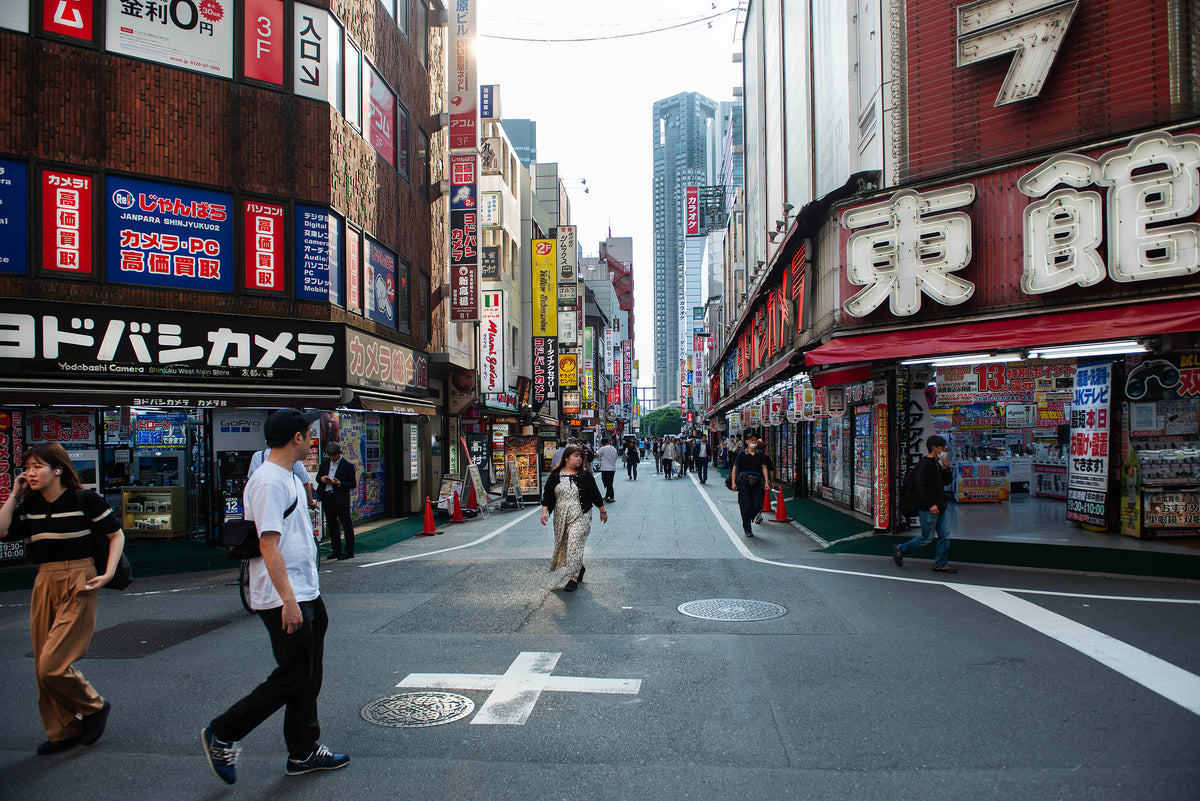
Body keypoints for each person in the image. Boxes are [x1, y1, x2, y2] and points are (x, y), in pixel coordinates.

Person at [203, 409, 348, 785]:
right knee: (292, 675)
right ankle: (223, 731)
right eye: (308, 432)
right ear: (296, 438)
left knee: (307, 673)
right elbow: (268, 545)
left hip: (305, 590)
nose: (312, 439)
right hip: (286, 596)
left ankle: (303, 750)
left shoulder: (285, 475)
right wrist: (288, 601)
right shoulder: (269, 481)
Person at [0, 443, 124, 756]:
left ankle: (94, 707)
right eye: (27, 467)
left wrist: (107, 574)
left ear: (58, 469)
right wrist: (14, 495)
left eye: (37, 466)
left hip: (80, 579)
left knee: (52, 664)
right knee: (43, 662)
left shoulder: (84, 498)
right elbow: (2, 532)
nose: (30, 473)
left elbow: (115, 534)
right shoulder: (29, 505)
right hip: (44, 580)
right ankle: (63, 730)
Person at [540, 445, 608, 591]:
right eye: (575, 456)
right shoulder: (555, 475)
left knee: (574, 542)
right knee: (565, 544)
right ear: (566, 458)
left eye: (580, 456)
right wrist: (544, 512)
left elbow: (595, 493)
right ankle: (579, 567)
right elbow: (548, 495)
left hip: (581, 514)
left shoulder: (585, 475)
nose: (579, 459)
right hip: (561, 515)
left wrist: (602, 511)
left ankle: (573, 577)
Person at [893, 435, 957, 573]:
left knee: (944, 535)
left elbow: (946, 482)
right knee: (927, 537)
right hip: (929, 508)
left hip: (941, 506)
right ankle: (900, 549)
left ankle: (940, 563)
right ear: (934, 448)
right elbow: (920, 487)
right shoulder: (924, 464)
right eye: (942, 447)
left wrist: (946, 467)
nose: (945, 449)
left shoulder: (937, 464)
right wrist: (930, 504)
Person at [316, 443, 357, 559]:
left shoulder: (347, 465)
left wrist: (339, 483)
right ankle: (336, 550)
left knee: (346, 524)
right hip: (327, 496)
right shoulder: (325, 463)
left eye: (334, 455)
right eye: (330, 455)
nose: (332, 458)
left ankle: (349, 551)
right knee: (332, 525)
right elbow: (318, 477)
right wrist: (322, 479)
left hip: (340, 497)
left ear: (340, 453)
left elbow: (352, 483)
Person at [248, 446, 318, 511]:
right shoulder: (292, 457)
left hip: (263, 503)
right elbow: (305, 483)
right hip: (286, 504)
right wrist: (310, 502)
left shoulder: (258, 456)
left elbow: (252, 482)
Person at [731, 434, 771, 537]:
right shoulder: (741, 454)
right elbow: (735, 467)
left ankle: (751, 516)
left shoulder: (760, 454)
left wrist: (767, 482)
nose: (754, 442)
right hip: (744, 482)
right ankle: (747, 529)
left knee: (757, 504)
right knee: (745, 505)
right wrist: (733, 482)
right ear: (747, 442)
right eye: (752, 440)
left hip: (757, 482)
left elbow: (764, 467)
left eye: (755, 440)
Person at [597, 437, 619, 502]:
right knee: (610, 482)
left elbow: (596, 454)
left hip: (605, 468)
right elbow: (616, 457)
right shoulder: (613, 449)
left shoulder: (603, 448)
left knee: (607, 483)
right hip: (612, 468)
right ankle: (607, 496)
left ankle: (612, 497)